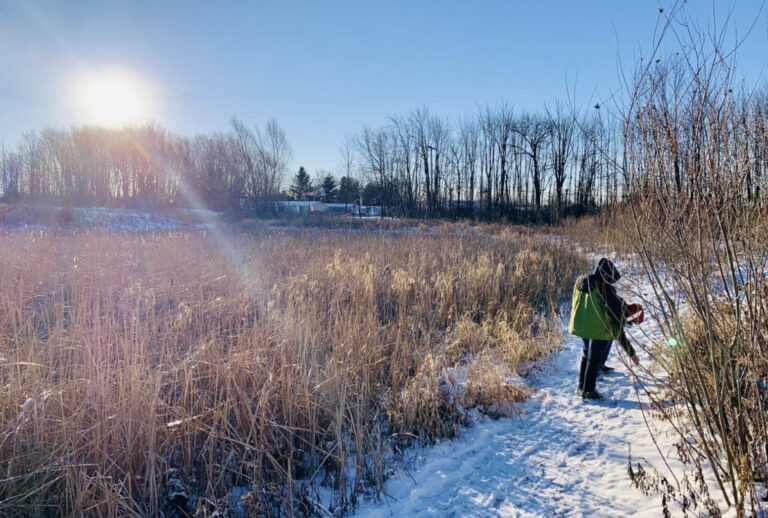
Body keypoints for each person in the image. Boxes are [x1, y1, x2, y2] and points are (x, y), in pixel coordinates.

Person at [568, 258, 641, 400]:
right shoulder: (604, 288)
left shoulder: (582, 282)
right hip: (598, 328)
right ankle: (588, 391)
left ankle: (582, 386)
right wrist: (631, 353)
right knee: (593, 359)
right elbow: (617, 321)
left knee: (587, 355)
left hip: (582, 325)